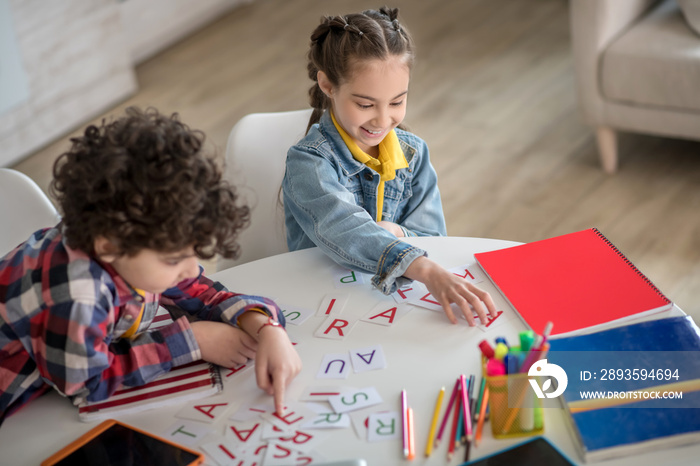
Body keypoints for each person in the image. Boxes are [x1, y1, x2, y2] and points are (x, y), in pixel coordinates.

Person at [0, 107, 301, 422]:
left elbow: (200, 292)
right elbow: (87, 383)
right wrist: (192, 341)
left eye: (193, 252)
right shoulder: (76, 294)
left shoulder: (136, 243)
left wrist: (267, 328)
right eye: (174, 259)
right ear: (109, 245)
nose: (190, 268)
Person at [282, 7, 497, 325]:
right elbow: (344, 228)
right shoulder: (308, 162)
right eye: (365, 104)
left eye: (397, 102)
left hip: (391, 302)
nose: (384, 120)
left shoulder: (414, 153)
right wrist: (418, 264)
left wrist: (396, 232)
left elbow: (434, 237)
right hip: (318, 304)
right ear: (327, 85)